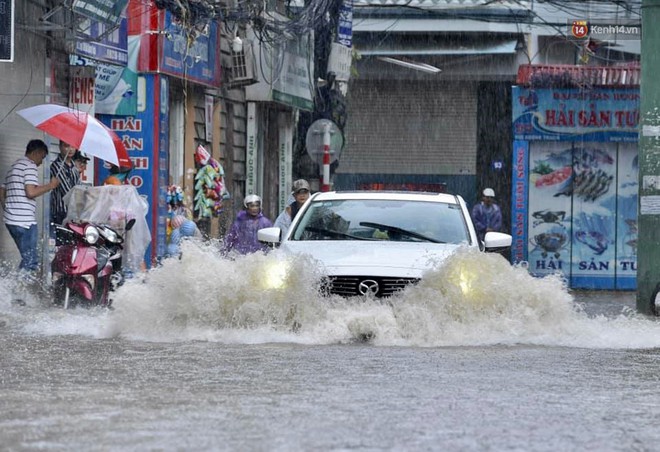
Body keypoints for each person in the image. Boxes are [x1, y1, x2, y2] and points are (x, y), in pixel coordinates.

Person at [0, 139, 60, 272]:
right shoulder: (30, 166)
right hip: (25, 222)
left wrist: (8, 208)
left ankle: (14, 286)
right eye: (43, 157)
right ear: (37, 152)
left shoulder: (14, 166)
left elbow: (2, 190)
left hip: (12, 221)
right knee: (31, 261)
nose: (41, 162)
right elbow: (31, 192)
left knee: (27, 258)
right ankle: (17, 290)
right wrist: (51, 185)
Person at [49, 140, 79, 229]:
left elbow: (79, 188)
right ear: (60, 147)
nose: (70, 149)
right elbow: (67, 191)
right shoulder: (56, 166)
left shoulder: (74, 167)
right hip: (60, 212)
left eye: (73, 146)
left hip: (73, 213)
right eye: (66, 146)